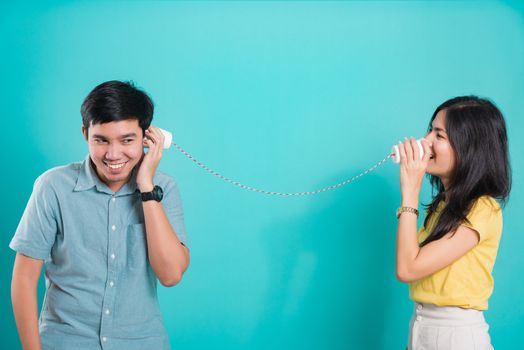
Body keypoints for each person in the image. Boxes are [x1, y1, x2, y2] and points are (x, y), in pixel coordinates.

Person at [10, 80, 190, 350]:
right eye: (101, 140)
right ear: (86, 134)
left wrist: (146, 188)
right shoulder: (53, 187)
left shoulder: (165, 189)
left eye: (127, 140)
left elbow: (171, 275)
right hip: (64, 341)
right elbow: (24, 279)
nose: (113, 154)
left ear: (148, 137)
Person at [395, 96, 511, 350]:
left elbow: (407, 268)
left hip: (456, 338)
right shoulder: (441, 205)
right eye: (430, 130)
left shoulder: (483, 209)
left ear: (469, 148)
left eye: (439, 135)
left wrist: (409, 192)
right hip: (420, 327)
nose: (425, 141)